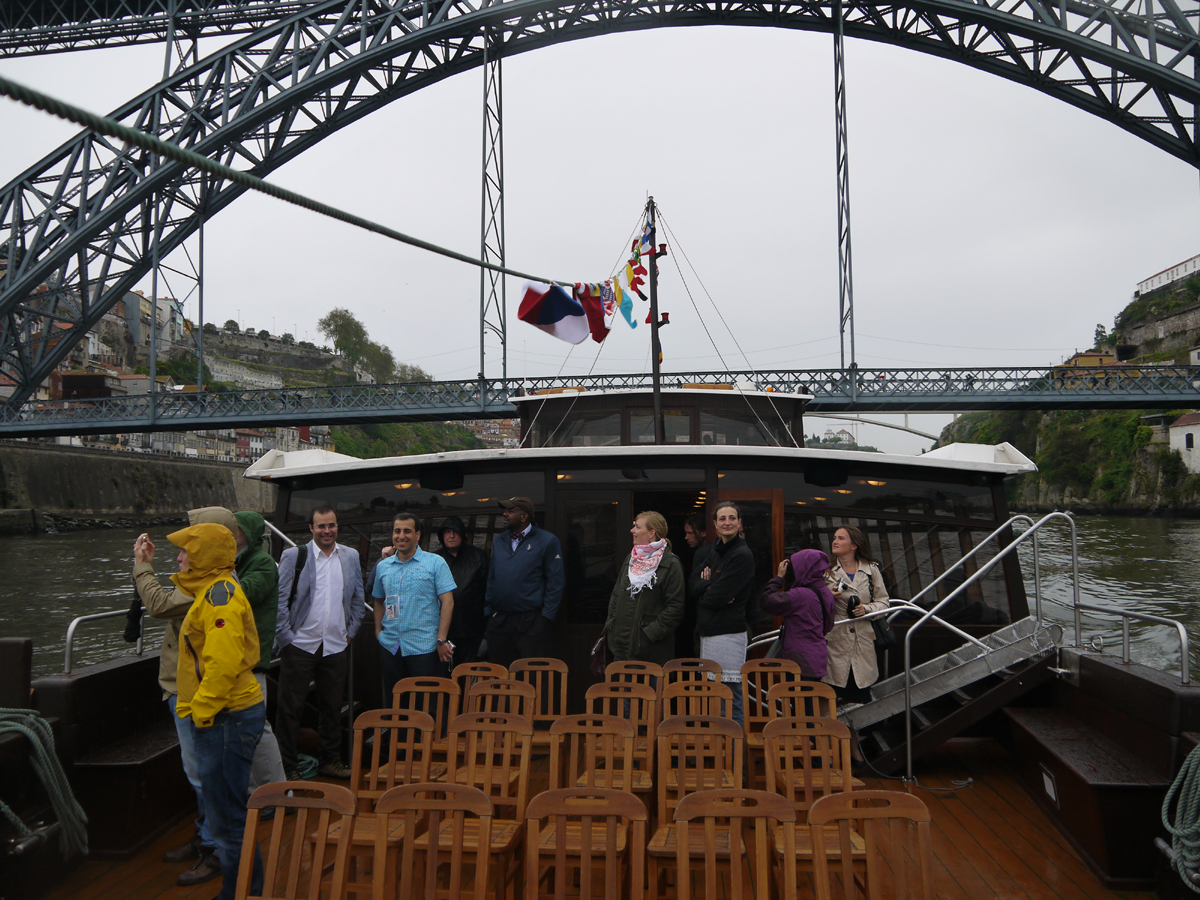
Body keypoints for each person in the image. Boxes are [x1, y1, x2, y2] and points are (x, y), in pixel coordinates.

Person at [132, 506, 237, 887]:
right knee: (201, 774)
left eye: (189, 546)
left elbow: (159, 604)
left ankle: (213, 849)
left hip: (193, 694)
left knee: (203, 775)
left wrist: (142, 566)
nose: (180, 555)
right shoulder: (207, 580)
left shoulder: (211, 587)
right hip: (187, 690)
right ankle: (206, 838)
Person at [170, 522, 265, 900]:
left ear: (205, 555)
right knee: (227, 817)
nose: (178, 557)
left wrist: (201, 713)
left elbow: (223, 663)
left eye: (186, 551)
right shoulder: (212, 591)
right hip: (224, 716)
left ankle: (240, 893)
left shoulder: (220, 595)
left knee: (227, 820)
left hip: (226, 718)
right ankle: (243, 889)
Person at [275, 506, 365, 780]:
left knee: (331, 707)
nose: (327, 531)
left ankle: (330, 761)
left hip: (336, 645)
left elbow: (357, 599)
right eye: (321, 526)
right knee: (290, 709)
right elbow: (279, 601)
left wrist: (351, 631)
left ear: (338, 527)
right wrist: (286, 639)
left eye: (332, 526)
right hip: (300, 645)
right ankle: (287, 768)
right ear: (311, 529)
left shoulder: (350, 556)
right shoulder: (294, 556)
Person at [372, 512, 456, 701]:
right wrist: (378, 631)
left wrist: (441, 640)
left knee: (427, 704)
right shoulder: (383, 566)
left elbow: (448, 601)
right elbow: (378, 600)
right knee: (395, 704)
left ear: (417, 535)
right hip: (391, 646)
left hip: (424, 647)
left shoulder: (435, 562)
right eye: (397, 531)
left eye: (407, 531)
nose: (401, 536)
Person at [232, 510, 287, 793]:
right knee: (243, 730)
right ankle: (252, 792)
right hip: (233, 660)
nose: (231, 533)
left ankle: (277, 792)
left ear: (249, 534)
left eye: (236, 529)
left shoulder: (263, 564)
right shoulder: (237, 562)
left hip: (251, 661)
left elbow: (241, 593)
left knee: (255, 728)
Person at [688, 502, 754, 724]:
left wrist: (709, 590)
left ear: (739, 523)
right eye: (723, 519)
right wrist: (709, 587)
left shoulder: (741, 554)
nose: (728, 522)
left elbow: (715, 598)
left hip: (728, 634)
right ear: (715, 525)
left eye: (732, 518)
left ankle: (735, 755)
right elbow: (693, 583)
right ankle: (719, 751)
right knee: (713, 694)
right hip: (709, 633)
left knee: (731, 695)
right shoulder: (716, 550)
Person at [484, 497, 565, 668]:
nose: (504, 514)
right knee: (502, 675)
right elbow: (492, 577)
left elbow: (555, 582)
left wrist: (545, 618)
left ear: (524, 516)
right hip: (500, 621)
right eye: (505, 510)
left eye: (510, 511)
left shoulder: (547, 541)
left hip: (531, 622)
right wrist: (488, 612)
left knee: (531, 675)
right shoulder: (499, 541)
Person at [604, 511, 686, 666]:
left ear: (651, 533)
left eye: (637, 526)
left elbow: (675, 608)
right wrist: (611, 626)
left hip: (651, 653)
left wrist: (648, 634)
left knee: (648, 691)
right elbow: (616, 596)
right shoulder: (631, 559)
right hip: (621, 649)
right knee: (623, 690)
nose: (632, 530)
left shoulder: (671, 564)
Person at [823, 524, 890, 708]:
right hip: (836, 641)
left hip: (863, 641)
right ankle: (834, 734)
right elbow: (812, 605)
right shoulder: (825, 571)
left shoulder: (871, 570)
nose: (835, 541)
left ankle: (856, 735)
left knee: (860, 694)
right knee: (833, 694)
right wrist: (829, 597)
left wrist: (867, 609)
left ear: (854, 545)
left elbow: (884, 602)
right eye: (834, 537)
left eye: (841, 538)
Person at [760, 549, 837, 679]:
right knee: (811, 697)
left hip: (799, 661)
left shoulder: (800, 595)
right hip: (818, 657)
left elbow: (768, 601)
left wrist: (778, 578)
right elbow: (828, 626)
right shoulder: (827, 593)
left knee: (796, 698)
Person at [435, 515, 489, 665]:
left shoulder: (478, 556)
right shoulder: (434, 559)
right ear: (441, 536)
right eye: (447, 532)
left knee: (467, 671)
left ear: (463, 535)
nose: (451, 536)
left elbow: (488, 591)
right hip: (443, 630)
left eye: (455, 532)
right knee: (445, 673)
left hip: (472, 628)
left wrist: (487, 625)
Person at [678, 515, 709, 658]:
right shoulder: (689, 553)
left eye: (690, 533)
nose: (686, 537)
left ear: (703, 532)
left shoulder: (706, 554)